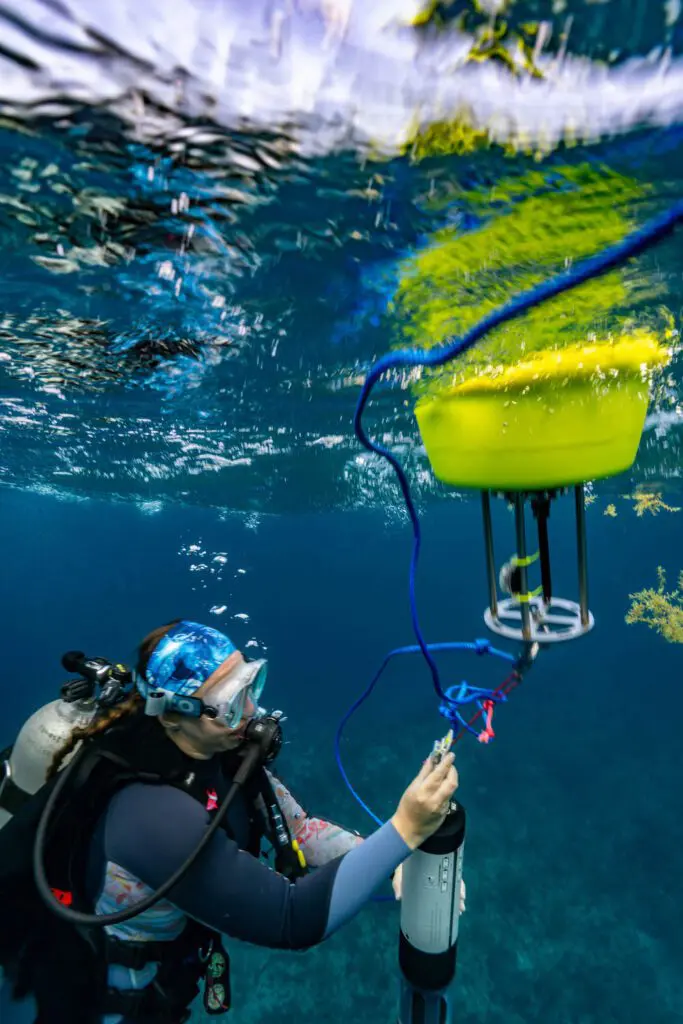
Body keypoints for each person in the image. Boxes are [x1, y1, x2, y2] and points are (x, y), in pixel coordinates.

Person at [4, 619, 462, 1024]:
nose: (251, 711)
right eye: (230, 701)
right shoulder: (151, 817)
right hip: (113, 1004)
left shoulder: (220, 752)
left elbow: (300, 831)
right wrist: (404, 830)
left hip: (168, 978)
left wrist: (391, 859)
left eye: (251, 684)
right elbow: (292, 918)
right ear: (174, 714)